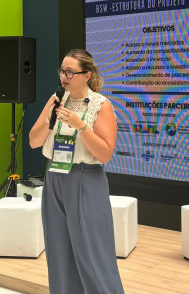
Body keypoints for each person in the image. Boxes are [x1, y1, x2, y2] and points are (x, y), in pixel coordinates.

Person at [29, 48, 124, 294]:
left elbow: (105, 154)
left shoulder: (101, 105)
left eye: (70, 72)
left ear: (87, 75)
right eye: (62, 70)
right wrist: (49, 119)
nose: (64, 76)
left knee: (91, 253)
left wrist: (80, 126)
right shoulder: (56, 99)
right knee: (58, 251)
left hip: (84, 179)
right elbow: (34, 141)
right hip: (54, 176)